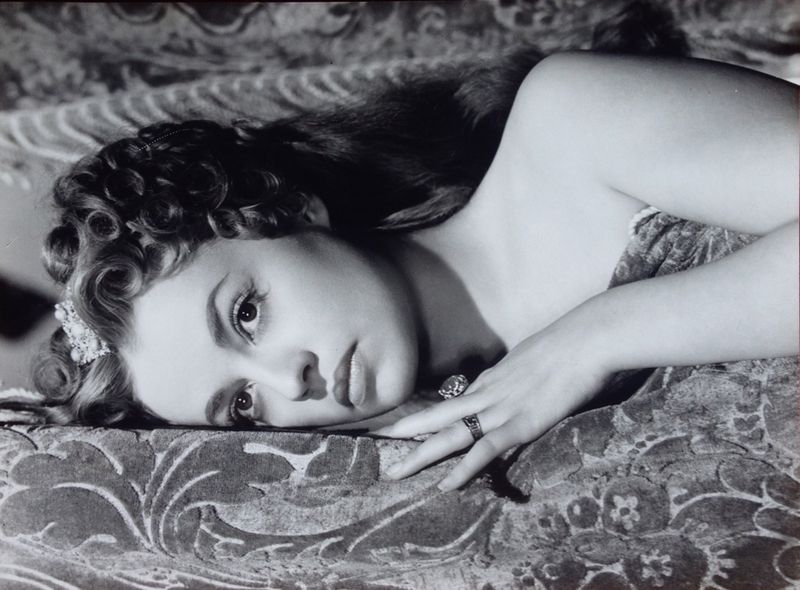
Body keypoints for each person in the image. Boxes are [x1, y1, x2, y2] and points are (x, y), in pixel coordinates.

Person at [29, 39, 798, 492]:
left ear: (288, 207)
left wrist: (594, 338)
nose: (289, 384)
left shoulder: (568, 122)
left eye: (247, 315)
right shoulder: (431, 458)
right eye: (242, 407)